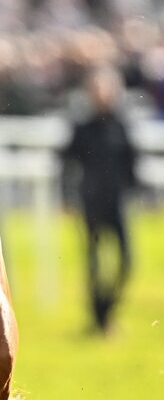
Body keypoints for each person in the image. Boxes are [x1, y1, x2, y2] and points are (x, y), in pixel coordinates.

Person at [59, 67, 139, 333]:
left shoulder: (122, 124)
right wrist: (66, 197)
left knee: (126, 260)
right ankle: (98, 319)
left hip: (117, 202)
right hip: (91, 202)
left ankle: (107, 310)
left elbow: (131, 163)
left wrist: (137, 191)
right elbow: (66, 163)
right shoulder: (82, 127)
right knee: (93, 261)